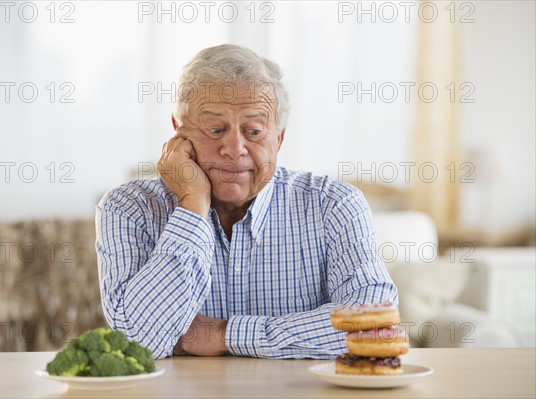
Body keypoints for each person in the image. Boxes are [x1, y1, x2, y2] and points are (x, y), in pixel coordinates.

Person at [95, 44, 398, 360]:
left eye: (253, 131)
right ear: (178, 132)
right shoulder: (128, 209)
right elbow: (138, 344)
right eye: (215, 129)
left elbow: (373, 326)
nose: (234, 148)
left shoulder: (333, 205)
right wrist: (192, 205)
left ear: (278, 139)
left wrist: (224, 335)